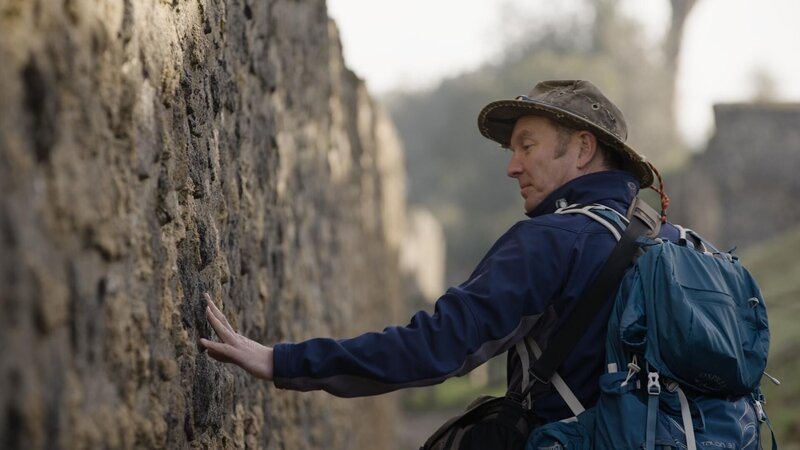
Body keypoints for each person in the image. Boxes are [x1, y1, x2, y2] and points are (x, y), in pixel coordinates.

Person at [200, 79, 678, 424]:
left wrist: (284, 361)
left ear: (582, 149)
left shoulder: (551, 241)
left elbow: (436, 346)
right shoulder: (668, 243)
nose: (512, 167)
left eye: (527, 146)